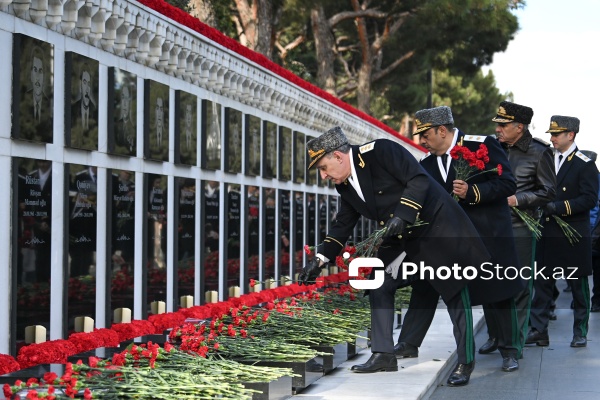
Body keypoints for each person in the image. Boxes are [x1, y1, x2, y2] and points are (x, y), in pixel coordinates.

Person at [299, 126, 491, 386]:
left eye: (323, 167)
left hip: (435, 230)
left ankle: (465, 362)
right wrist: (320, 259)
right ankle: (383, 355)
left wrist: (402, 215)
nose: (323, 175)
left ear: (338, 157)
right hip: (401, 238)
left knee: (454, 293)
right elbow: (343, 224)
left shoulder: (381, 151)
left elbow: (419, 179)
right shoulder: (344, 186)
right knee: (379, 284)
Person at [396, 106, 524, 372]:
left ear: (442, 131)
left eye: (426, 135)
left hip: (487, 236)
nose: (423, 141)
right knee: (425, 285)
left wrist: (473, 191)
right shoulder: (426, 164)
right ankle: (408, 342)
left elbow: (507, 184)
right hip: (447, 243)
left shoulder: (482, 145)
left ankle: (510, 350)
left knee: (499, 293)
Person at [488, 101, 556, 358]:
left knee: (518, 287)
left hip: (520, 227)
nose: (498, 129)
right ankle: (496, 336)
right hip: (492, 225)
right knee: (490, 281)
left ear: (519, 127)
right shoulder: (492, 148)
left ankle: (513, 347)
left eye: (503, 125)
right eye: (497, 124)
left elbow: (548, 191)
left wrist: (519, 200)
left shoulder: (540, 152)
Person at [527, 116, 599, 347]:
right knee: (542, 283)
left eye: (557, 134)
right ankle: (539, 331)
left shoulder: (584, 163)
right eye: (551, 134)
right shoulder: (546, 158)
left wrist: (560, 207)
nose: (552, 138)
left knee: (578, 285)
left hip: (573, 233)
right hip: (547, 230)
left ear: (571, 135)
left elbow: (589, 199)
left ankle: (580, 331)